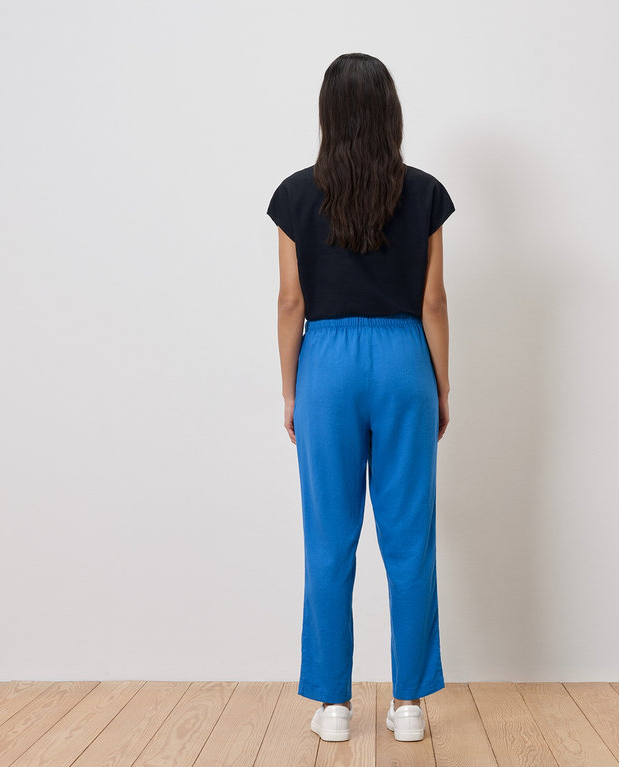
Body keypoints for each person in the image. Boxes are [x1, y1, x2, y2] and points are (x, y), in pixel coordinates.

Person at [267, 52, 454, 743]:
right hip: (405, 357)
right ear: (389, 112)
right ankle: (408, 705)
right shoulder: (427, 192)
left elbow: (291, 300)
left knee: (329, 537)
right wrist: (440, 383)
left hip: (327, 363)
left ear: (328, 113)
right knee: (410, 538)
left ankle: (335, 703)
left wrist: (292, 390)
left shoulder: (293, 195)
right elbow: (433, 300)